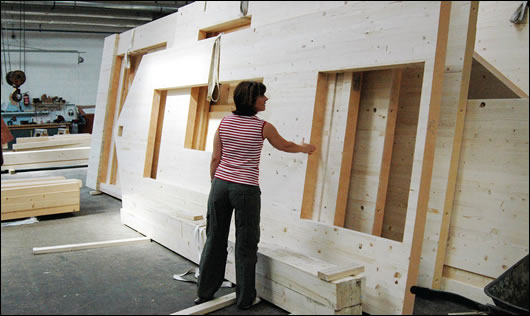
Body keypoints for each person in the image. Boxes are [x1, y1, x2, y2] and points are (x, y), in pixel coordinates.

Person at [196, 81, 316, 309]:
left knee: (215, 238)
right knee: (246, 244)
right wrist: (304, 148)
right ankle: (244, 299)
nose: (266, 99)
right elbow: (284, 146)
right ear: (251, 99)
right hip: (245, 191)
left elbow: (215, 157)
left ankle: (204, 292)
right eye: (263, 96)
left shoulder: (224, 122)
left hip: (220, 186)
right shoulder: (263, 127)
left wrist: (216, 182)